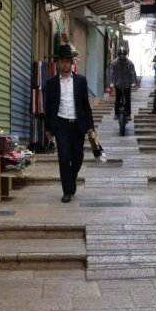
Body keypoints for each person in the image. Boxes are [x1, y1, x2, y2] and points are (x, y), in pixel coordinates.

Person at [43, 45, 94, 203]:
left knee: (78, 157)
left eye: (67, 61)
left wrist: (90, 127)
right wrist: (48, 129)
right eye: (61, 61)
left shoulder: (80, 81)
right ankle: (67, 190)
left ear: (71, 63)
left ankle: (71, 180)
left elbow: (86, 105)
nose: (64, 64)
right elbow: (48, 107)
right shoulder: (51, 83)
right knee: (64, 157)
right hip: (61, 125)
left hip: (78, 125)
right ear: (58, 63)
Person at [109, 47, 137, 136]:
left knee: (127, 99)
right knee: (118, 98)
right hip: (118, 84)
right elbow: (112, 73)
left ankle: (128, 114)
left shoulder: (130, 63)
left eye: (123, 54)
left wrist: (133, 82)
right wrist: (111, 83)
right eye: (120, 54)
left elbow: (133, 73)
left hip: (127, 84)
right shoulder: (114, 63)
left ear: (125, 55)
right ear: (118, 55)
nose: (122, 56)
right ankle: (116, 113)